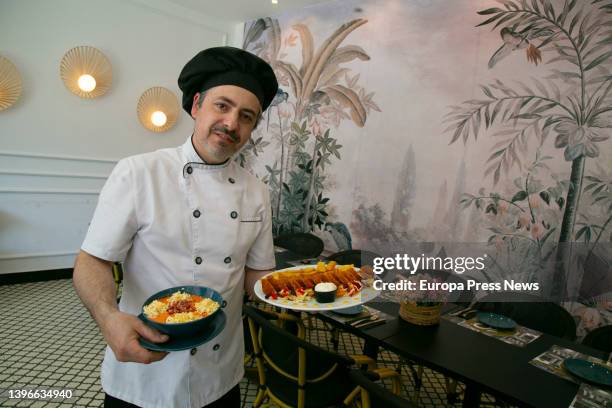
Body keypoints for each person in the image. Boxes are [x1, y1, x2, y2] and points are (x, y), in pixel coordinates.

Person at [73, 46, 279, 408]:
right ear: (197, 105)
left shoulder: (256, 191)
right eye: (222, 105)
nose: (232, 123)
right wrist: (109, 319)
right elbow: (93, 261)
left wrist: (305, 290)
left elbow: (257, 275)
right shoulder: (139, 173)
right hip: (145, 366)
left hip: (219, 372)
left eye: (246, 116)